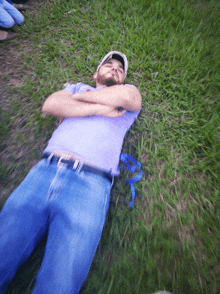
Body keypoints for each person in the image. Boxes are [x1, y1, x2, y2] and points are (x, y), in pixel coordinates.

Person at [0, 51, 142, 294]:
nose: (116, 69)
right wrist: (101, 108)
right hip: (43, 173)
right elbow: (51, 104)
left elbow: (131, 96)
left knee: (60, 284)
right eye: (109, 65)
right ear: (95, 74)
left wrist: (80, 102)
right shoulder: (77, 86)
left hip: (90, 186)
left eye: (121, 69)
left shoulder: (125, 97)